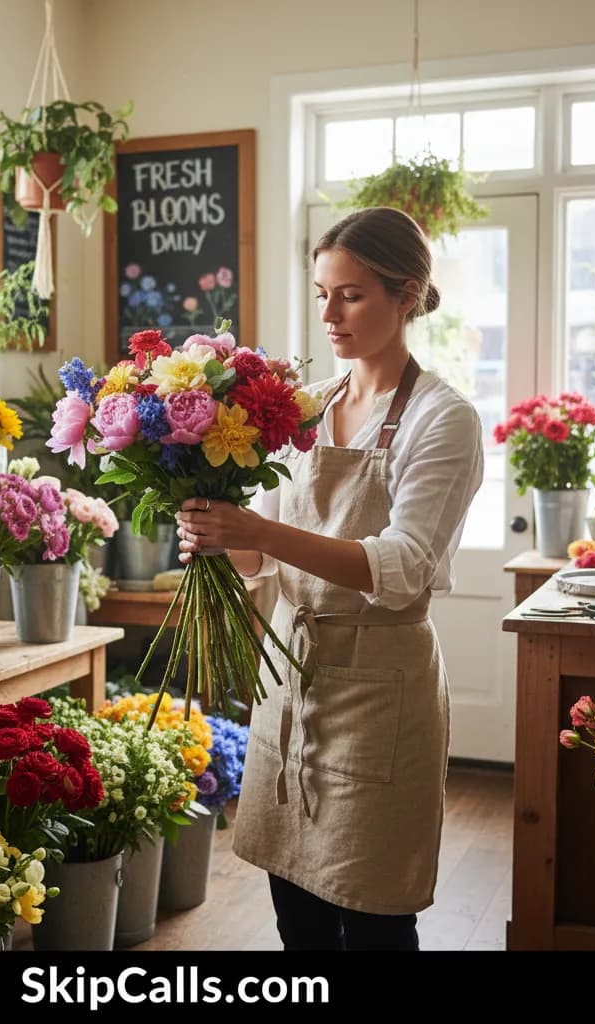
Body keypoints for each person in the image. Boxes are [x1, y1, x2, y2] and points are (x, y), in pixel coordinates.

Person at [175, 207, 485, 951]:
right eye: (322, 294)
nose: (329, 315)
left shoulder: (442, 418)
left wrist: (258, 532)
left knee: (376, 913)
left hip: (381, 688)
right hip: (289, 672)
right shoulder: (305, 411)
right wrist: (216, 535)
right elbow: (260, 559)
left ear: (405, 295)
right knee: (297, 911)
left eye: (350, 295)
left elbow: (402, 567)